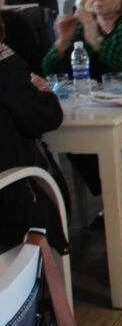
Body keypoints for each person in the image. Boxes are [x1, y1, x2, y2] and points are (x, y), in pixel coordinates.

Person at [0, 13, 65, 254]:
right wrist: (45, 93)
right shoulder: (7, 71)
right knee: (45, 200)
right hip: (9, 196)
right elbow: (47, 118)